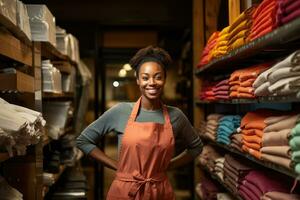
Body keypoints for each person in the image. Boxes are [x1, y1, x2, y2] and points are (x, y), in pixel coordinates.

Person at [76, 46, 203, 199]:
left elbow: (196, 147)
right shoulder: (120, 111)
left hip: (159, 191)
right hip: (125, 191)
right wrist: (117, 166)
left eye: (158, 76)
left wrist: (167, 166)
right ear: (137, 80)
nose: (152, 83)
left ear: (164, 79)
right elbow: (84, 140)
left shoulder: (176, 116)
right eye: (145, 77)